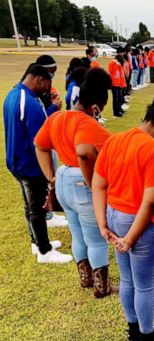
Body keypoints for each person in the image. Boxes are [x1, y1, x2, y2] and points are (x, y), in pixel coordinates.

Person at [92, 94, 154, 341]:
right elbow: (150, 203)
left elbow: (98, 184)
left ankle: (134, 328)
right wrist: (131, 238)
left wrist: (102, 224)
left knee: (128, 279)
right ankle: (147, 337)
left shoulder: (116, 139)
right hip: (138, 225)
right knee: (144, 285)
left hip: (113, 215)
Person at [34, 68, 119, 293]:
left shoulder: (57, 118)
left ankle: (86, 277)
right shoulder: (89, 125)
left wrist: (50, 176)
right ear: (95, 107)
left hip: (62, 180)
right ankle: (102, 286)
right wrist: (94, 184)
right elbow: (83, 153)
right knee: (96, 239)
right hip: (81, 184)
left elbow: (40, 145)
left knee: (77, 234)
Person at [3, 64, 73, 264]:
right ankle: (44, 250)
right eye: (48, 84)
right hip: (29, 164)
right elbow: (40, 138)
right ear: (40, 80)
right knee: (37, 208)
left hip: (16, 161)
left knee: (30, 205)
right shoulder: (30, 103)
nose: (48, 90)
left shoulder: (13, 94)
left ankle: (36, 241)